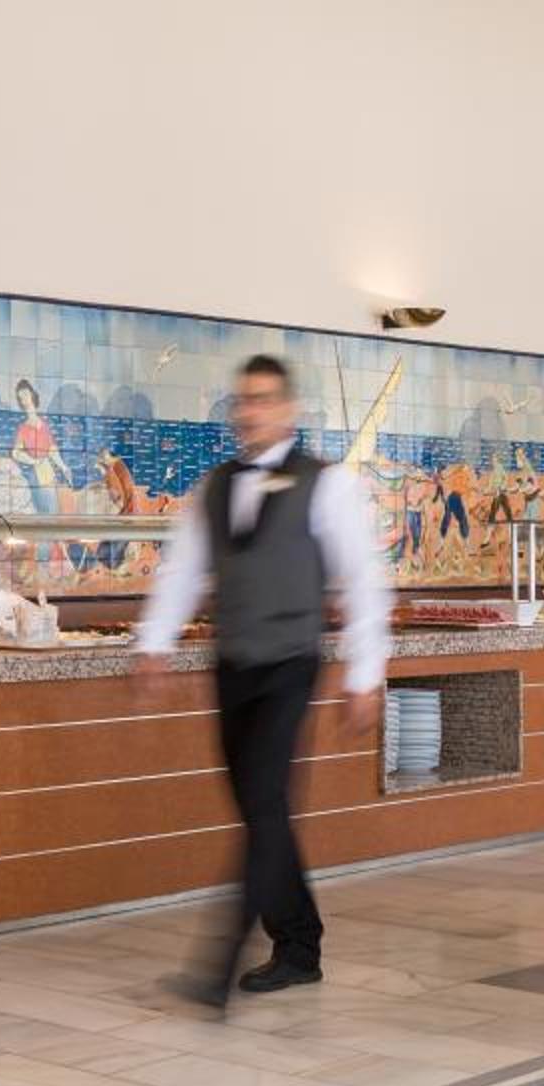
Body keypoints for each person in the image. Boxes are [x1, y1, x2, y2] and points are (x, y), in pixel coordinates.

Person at [135, 354, 391, 1003]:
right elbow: (182, 570)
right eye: (243, 400)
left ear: (289, 408)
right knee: (260, 808)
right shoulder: (215, 486)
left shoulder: (326, 485)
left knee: (264, 799)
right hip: (231, 665)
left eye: (263, 399)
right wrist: (154, 642)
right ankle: (299, 945)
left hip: (290, 662)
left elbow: (363, 579)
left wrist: (365, 673)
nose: (250, 411)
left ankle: (216, 971)